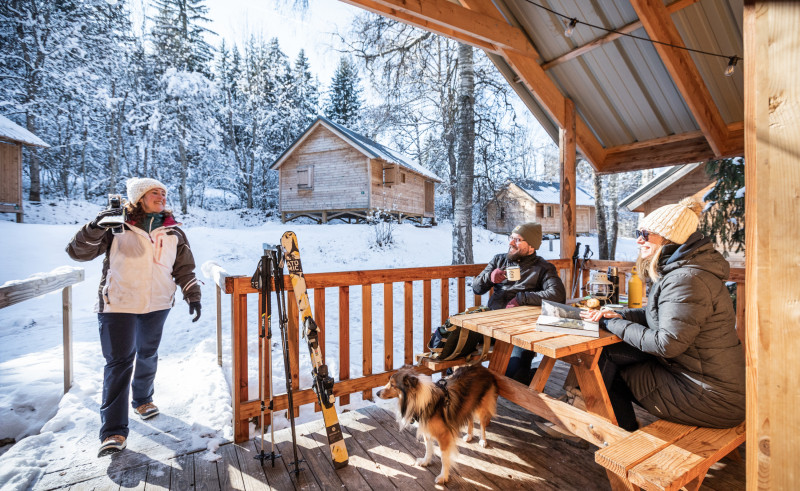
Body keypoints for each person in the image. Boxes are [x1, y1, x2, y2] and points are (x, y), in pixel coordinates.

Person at [581, 197, 745, 431]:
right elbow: (657, 315)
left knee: (604, 371)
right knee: (609, 356)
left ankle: (620, 436)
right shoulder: (683, 271)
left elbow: (666, 343)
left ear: (669, 237)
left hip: (712, 397)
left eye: (645, 233)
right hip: (701, 379)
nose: (639, 239)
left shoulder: (686, 279)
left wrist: (613, 325)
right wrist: (617, 315)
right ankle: (596, 413)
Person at [66, 177, 202, 457]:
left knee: (148, 353)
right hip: (118, 304)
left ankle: (142, 399)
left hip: (157, 303)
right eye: (155, 192)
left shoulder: (173, 231)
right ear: (139, 197)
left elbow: (184, 268)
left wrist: (192, 294)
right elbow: (77, 252)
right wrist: (95, 226)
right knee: (119, 363)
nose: (162, 196)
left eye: (164, 192)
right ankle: (113, 430)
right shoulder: (115, 225)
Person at [473, 222, 566, 384]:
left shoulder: (543, 268)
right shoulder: (499, 260)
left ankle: (533, 376)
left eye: (517, 240)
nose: (510, 243)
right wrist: (489, 278)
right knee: (453, 352)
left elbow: (558, 295)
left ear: (531, 246)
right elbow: (476, 288)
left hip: (520, 331)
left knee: (513, 375)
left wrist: (523, 298)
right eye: (511, 238)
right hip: (490, 325)